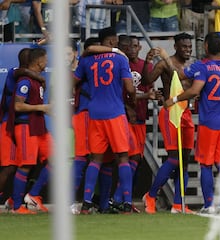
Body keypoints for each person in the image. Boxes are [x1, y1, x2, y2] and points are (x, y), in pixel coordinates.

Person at [163, 32, 220, 213]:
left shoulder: (202, 66)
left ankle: (209, 205)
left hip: (209, 122)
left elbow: (188, 84)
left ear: (205, 47)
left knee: (205, 164)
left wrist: (173, 99)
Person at [73, 27, 135, 214]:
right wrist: (130, 100)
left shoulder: (87, 59)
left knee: (95, 159)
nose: (117, 44)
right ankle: (127, 203)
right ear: (110, 42)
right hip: (115, 112)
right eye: (115, 41)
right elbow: (130, 87)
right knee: (123, 157)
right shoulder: (120, 58)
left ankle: (86, 203)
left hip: (94, 113)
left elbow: (73, 81)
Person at [142, 32, 195, 214]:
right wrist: (148, 62)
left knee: (185, 162)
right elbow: (147, 80)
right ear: (176, 47)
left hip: (186, 112)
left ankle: (179, 205)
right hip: (170, 112)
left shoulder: (193, 65)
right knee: (174, 158)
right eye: (184, 47)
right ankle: (150, 195)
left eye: (189, 47)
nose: (187, 50)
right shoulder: (165, 63)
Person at [110, 35, 161, 213]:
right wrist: (142, 99)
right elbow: (119, 93)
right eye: (130, 46)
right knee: (130, 158)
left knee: (135, 159)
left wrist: (153, 95)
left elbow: (147, 85)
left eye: (136, 46)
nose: (134, 49)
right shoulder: (119, 63)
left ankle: (122, 199)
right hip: (124, 117)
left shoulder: (142, 65)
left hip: (140, 116)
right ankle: (119, 199)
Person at [5, 47, 51, 214]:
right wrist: (43, 107)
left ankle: (32, 194)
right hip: (25, 126)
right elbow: (17, 105)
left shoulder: (37, 79)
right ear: (39, 61)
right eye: (45, 59)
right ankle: (16, 206)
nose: (47, 62)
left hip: (39, 125)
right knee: (26, 165)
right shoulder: (24, 80)